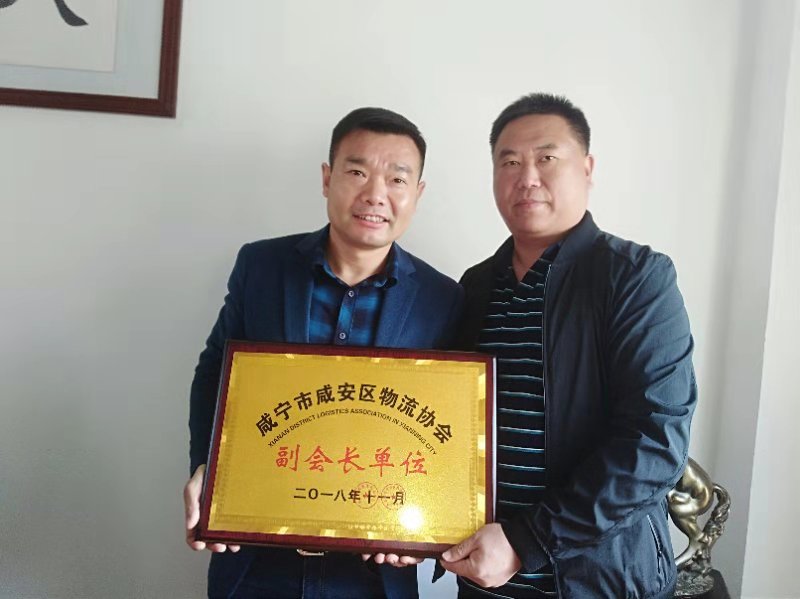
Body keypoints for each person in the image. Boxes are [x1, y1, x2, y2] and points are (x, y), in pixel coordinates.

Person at [183, 107, 463, 599]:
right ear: (327, 178)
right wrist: (208, 471)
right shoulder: (261, 266)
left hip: (372, 577)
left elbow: (449, 427)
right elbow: (216, 374)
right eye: (357, 172)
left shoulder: (443, 299)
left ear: (417, 194)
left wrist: (427, 525)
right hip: (256, 562)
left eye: (397, 179)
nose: (375, 194)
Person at [439, 93, 697, 598]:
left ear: (587, 168)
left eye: (546, 158)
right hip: (486, 582)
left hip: (602, 581)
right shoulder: (475, 287)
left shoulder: (636, 278)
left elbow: (654, 441)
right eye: (509, 162)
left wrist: (528, 540)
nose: (526, 177)